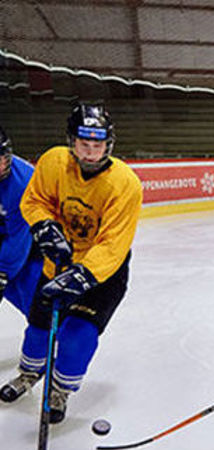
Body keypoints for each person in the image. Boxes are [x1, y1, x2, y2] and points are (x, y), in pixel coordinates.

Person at [0, 103, 142, 424]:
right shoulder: (53, 162)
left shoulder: (125, 184)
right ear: (71, 141)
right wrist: (43, 225)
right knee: (38, 326)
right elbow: (34, 201)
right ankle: (28, 375)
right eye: (84, 144)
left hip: (102, 275)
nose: (91, 153)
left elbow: (113, 243)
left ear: (109, 144)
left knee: (78, 336)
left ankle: (59, 390)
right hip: (58, 264)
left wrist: (82, 275)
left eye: (98, 145)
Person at [0, 126, 42, 322]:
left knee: (35, 305)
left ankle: (53, 337)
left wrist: (1, 274)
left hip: (30, 246)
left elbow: (19, 239)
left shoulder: (23, 182)